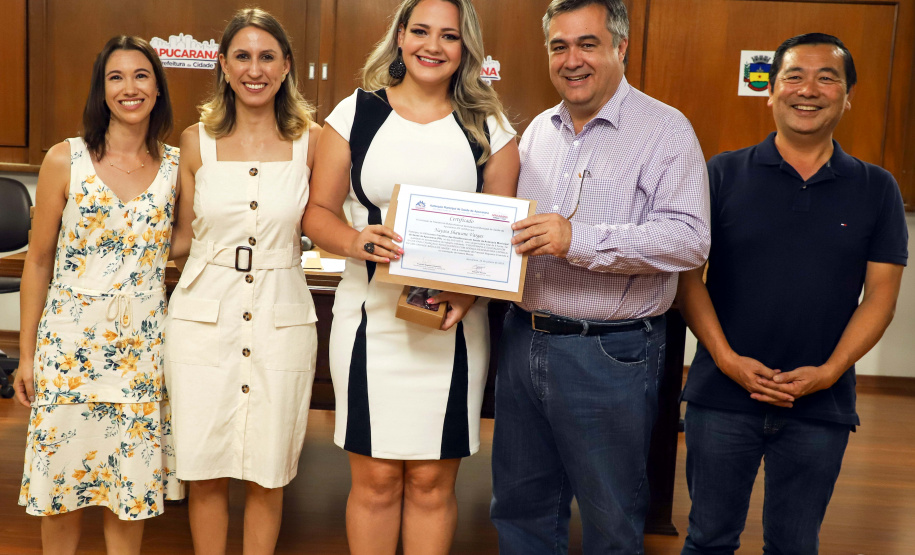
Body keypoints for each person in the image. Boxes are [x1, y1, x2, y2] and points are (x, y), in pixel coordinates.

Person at [489, 0, 710, 552]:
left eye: (587, 44)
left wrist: (577, 239)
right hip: (523, 340)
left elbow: (689, 239)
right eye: (559, 46)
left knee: (611, 518)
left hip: (609, 354)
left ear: (620, 47)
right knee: (520, 509)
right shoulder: (538, 131)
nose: (572, 60)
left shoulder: (665, 130)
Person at [677, 33, 908, 555]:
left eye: (828, 77)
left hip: (820, 404)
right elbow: (689, 279)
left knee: (794, 545)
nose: (809, 89)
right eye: (794, 77)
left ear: (848, 96)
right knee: (709, 538)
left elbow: (880, 299)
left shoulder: (877, 188)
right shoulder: (720, 173)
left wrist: (828, 373)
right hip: (721, 396)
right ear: (771, 90)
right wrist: (727, 359)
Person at [303, 0, 520, 552]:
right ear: (400, 37)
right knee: (374, 482)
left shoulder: (490, 126)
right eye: (420, 31)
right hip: (368, 322)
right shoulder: (355, 113)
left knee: (430, 483)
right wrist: (353, 240)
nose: (433, 45)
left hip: (451, 327)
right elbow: (317, 213)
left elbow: (502, 236)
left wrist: (465, 296)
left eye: (448, 36)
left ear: (465, 48)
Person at [13, 35, 183, 553]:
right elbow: (38, 261)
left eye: (141, 76)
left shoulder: (178, 168)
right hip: (69, 347)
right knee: (60, 487)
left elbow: (191, 238)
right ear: (101, 89)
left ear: (157, 89)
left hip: (141, 351)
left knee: (126, 490)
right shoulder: (65, 160)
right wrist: (26, 356)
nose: (129, 88)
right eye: (116, 77)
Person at [165, 9, 321, 555]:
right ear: (224, 67)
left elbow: (327, 220)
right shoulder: (194, 142)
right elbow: (180, 238)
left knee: (268, 469)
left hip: (282, 318)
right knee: (203, 468)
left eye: (267, 57)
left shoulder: (314, 143)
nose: (255, 69)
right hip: (201, 320)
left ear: (285, 67)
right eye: (242, 57)